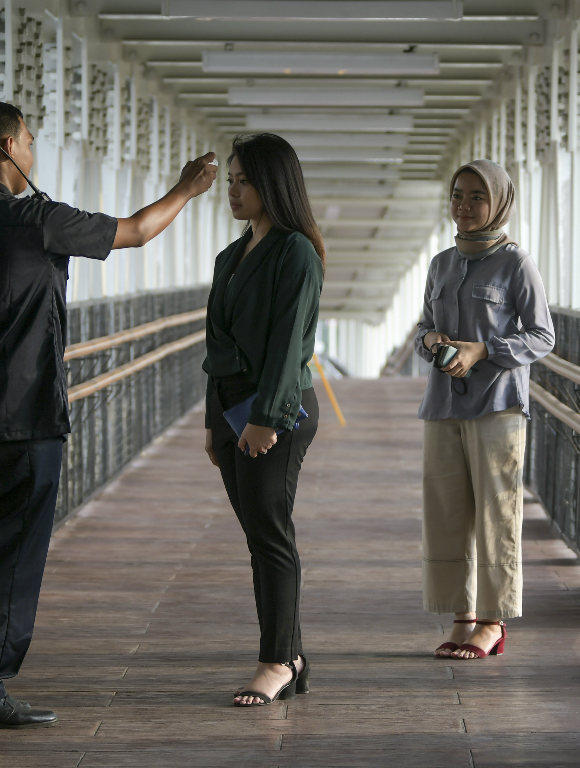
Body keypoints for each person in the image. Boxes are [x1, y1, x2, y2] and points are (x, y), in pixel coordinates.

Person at [0, 100, 216, 728]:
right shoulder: (37, 220)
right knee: (10, 556)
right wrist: (187, 188)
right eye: (28, 140)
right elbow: (135, 230)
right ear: (7, 146)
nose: (34, 150)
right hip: (25, 417)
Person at [414, 159, 554, 661]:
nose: (465, 206)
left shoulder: (516, 263)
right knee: (446, 510)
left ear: (499, 202)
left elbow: (543, 336)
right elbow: (422, 328)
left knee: (496, 511)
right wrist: (431, 341)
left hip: (497, 405)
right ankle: (461, 613)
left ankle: (492, 621)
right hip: (443, 403)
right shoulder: (441, 264)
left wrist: (483, 350)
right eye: (457, 195)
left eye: (477, 196)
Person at [202, 134, 324, 707]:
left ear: (272, 184)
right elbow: (216, 346)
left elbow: (288, 345)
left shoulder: (294, 252)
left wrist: (266, 419)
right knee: (259, 536)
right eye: (230, 179)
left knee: (271, 533)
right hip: (231, 412)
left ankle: (277, 659)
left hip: (274, 411)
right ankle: (289, 654)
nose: (233, 190)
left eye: (243, 180)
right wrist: (212, 422)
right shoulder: (232, 256)